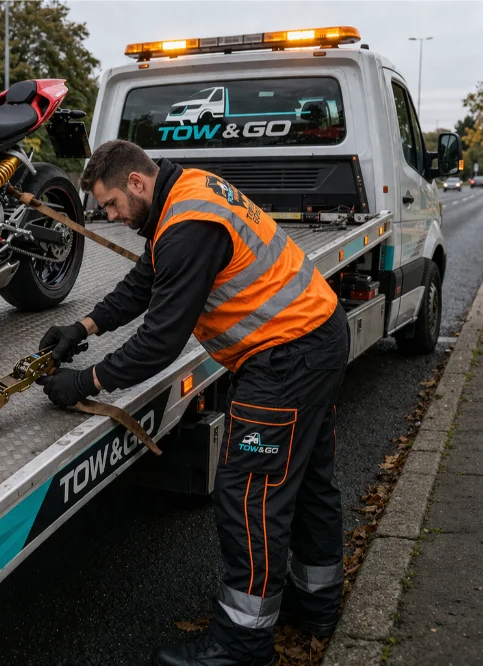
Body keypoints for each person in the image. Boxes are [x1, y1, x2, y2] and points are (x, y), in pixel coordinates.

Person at [37, 140, 349, 666]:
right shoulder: (185, 194)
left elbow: (159, 343)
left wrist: (85, 382)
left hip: (285, 358)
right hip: (313, 336)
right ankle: (317, 604)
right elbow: (144, 283)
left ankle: (241, 644)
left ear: (136, 182)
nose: (110, 216)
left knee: (250, 494)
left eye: (111, 204)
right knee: (310, 480)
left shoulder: (187, 226)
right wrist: (84, 327)